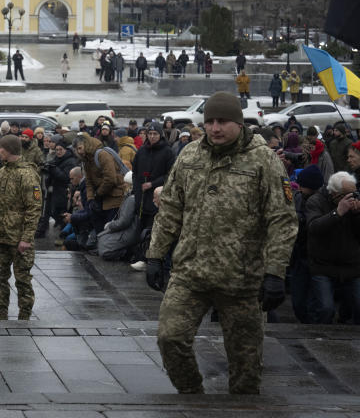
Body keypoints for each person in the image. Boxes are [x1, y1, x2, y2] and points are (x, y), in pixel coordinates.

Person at [145, 91, 297, 394]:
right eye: (210, 121)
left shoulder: (263, 159)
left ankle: (242, 410)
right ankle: (192, 397)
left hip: (242, 279)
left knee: (245, 365)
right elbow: (171, 207)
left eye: (223, 122)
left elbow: (282, 219)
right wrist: (155, 254)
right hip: (191, 272)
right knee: (170, 338)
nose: (215, 128)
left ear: (239, 123)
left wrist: (275, 272)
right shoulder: (189, 155)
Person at [0, 134, 42, 320]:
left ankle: (24, 318)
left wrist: (26, 238)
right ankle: (1, 316)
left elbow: (34, 208)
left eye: (0, 148)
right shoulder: (3, 172)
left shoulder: (27, 174)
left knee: (22, 281)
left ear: (7, 150)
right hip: (0, 237)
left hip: (18, 239)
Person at [305, 171, 360, 324]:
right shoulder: (315, 201)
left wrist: (357, 215)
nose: (353, 198)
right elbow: (313, 228)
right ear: (335, 194)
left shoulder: (355, 204)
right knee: (325, 309)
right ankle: (319, 338)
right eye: (349, 195)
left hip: (351, 266)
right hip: (323, 265)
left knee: (357, 306)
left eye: (355, 193)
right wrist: (338, 212)